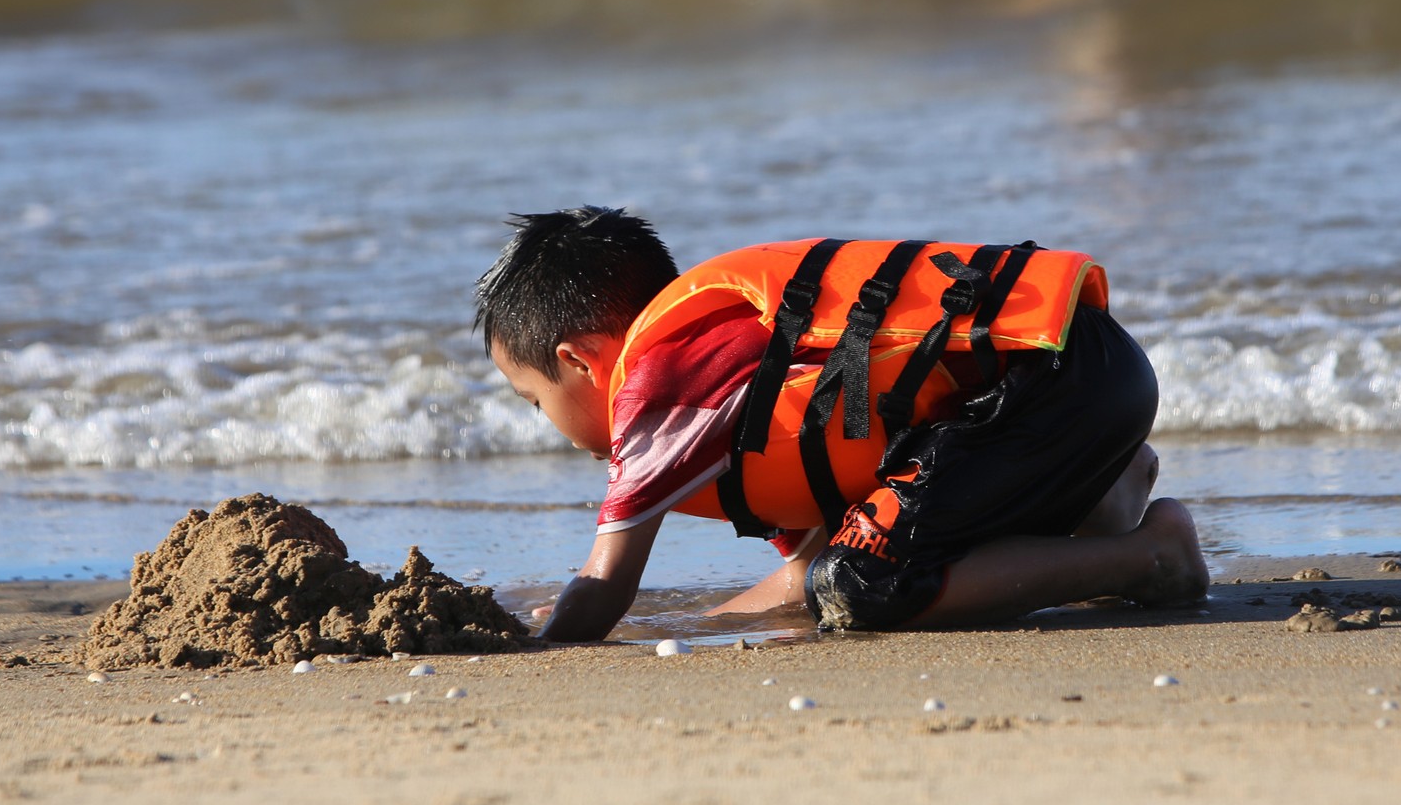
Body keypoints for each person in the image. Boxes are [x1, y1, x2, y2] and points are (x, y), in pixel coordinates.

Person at [475, 207, 1207, 641]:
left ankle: (1150, 556)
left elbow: (604, 587)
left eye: (534, 398)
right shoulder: (735, 369)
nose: (546, 421)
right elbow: (802, 574)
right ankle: (1105, 496)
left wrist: (540, 641)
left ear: (580, 360)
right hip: (1081, 370)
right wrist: (699, 621)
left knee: (863, 587)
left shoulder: (660, 381)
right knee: (857, 560)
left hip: (1048, 391)